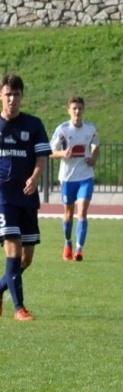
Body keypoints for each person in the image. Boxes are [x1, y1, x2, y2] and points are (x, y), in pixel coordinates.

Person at [0, 74, 52, 322]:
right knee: (12, 249)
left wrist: (35, 176)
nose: (12, 99)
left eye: (16, 94)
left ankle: (1, 289)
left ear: (22, 97)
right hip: (3, 199)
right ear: (1, 95)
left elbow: (42, 158)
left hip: (27, 198)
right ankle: (19, 308)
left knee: (26, 258)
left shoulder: (33, 125)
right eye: (8, 94)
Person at [50, 95, 99, 262]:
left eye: (80, 108)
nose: (77, 111)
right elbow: (51, 151)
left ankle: (79, 249)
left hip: (85, 176)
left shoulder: (90, 129)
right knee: (68, 214)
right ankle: (68, 243)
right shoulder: (62, 130)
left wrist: (93, 158)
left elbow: (96, 146)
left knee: (82, 212)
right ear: (69, 110)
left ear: (83, 110)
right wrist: (63, 153)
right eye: (74, 108)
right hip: (67, 178)